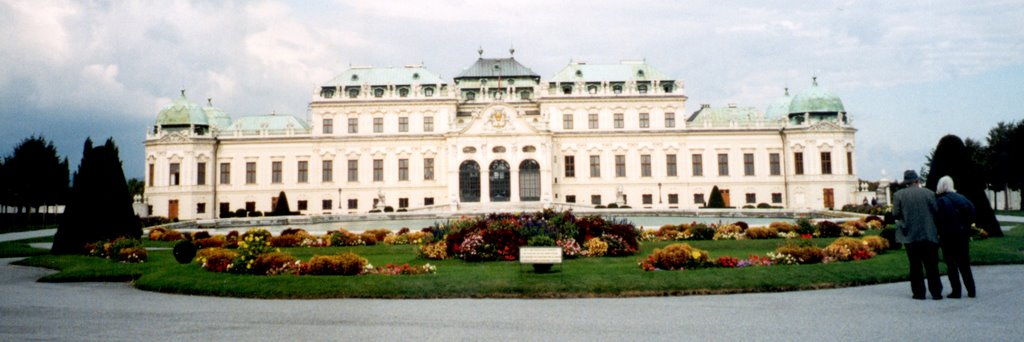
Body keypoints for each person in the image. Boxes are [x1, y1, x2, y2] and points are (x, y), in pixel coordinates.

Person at [892, 170, 942, 300]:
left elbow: (895, 214)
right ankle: (936, 292)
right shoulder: (929, 193)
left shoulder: (899, 195)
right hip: (928, 233)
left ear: (906, 182)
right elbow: (936, 212)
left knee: (915, 265)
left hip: (910, 234)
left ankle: (919, 293)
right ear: (917, 180)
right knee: (931, 264)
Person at [935, 176, 977, 298]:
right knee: (964, 263)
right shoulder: (962, 198)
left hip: (948, 236)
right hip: (962, 234)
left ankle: (956, 291)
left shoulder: (941, 201)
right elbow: (972, 212)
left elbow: (940, 220)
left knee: (951, 264)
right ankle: (971, 290)